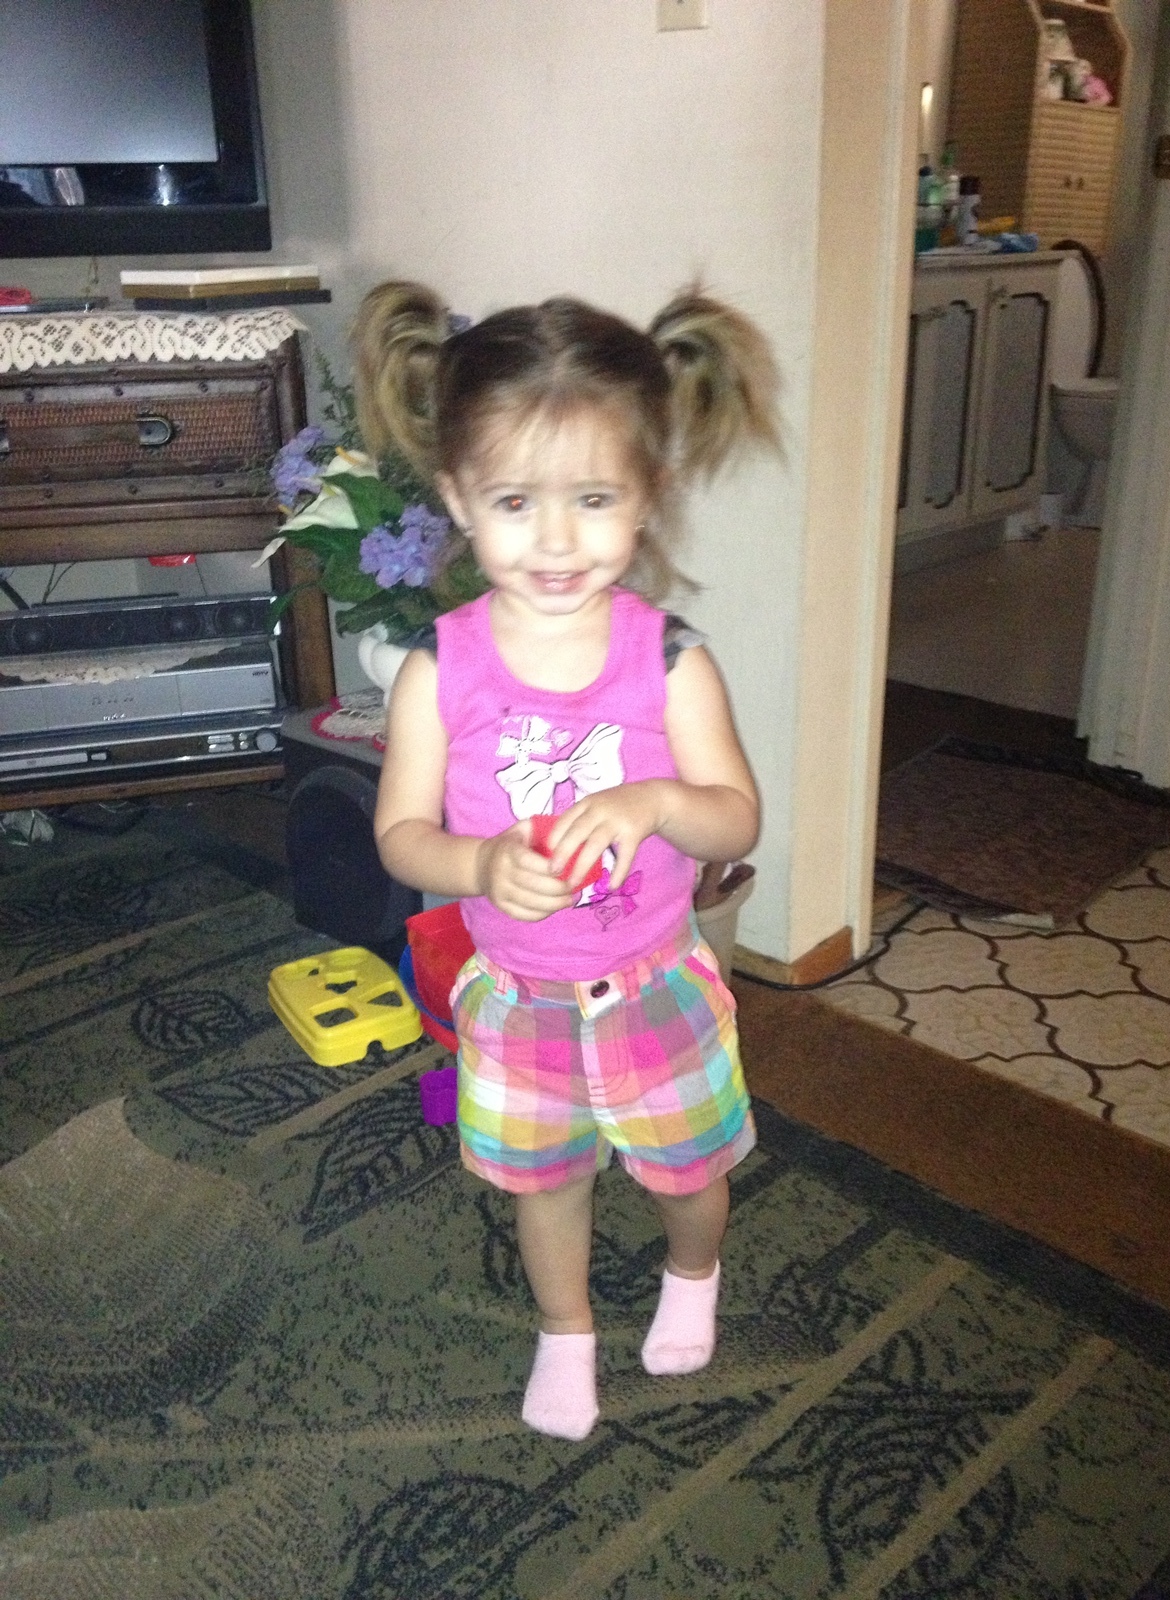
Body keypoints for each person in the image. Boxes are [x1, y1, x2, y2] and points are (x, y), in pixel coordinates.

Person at [365, 279, 780, 1441]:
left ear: (648, 492)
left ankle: (693, 1272)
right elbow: (400, 833)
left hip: (656, 981)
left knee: (687, 1171)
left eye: (594, 499)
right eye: (515, 501)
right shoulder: (437, 671)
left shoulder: (672, 661)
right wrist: (480, 864)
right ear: (459, 496)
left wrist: (657, 801)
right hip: (518, 996)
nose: (556, 540)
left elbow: (735, 822)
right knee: (545, 1181)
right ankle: (566, 1329)